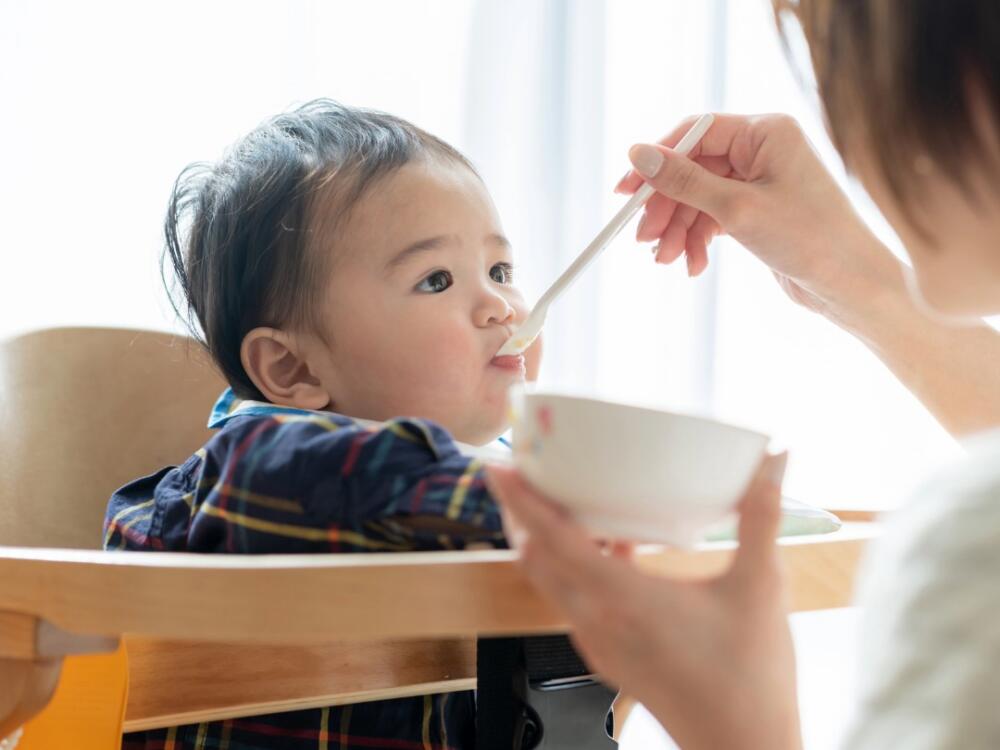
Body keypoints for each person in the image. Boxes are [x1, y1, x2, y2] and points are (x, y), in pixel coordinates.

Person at [487, 1, 1000, 748]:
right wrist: (853, 276)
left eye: (840, 75)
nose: (851, 137)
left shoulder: (971, 541)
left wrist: (736, 727)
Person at [103, 99, 544, 749]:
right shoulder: (253, 481)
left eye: (500, 270)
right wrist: (551, 505)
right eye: (437, 279)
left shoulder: (488, 481)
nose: (501, 305)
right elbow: (349, 474)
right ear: (292, 368)